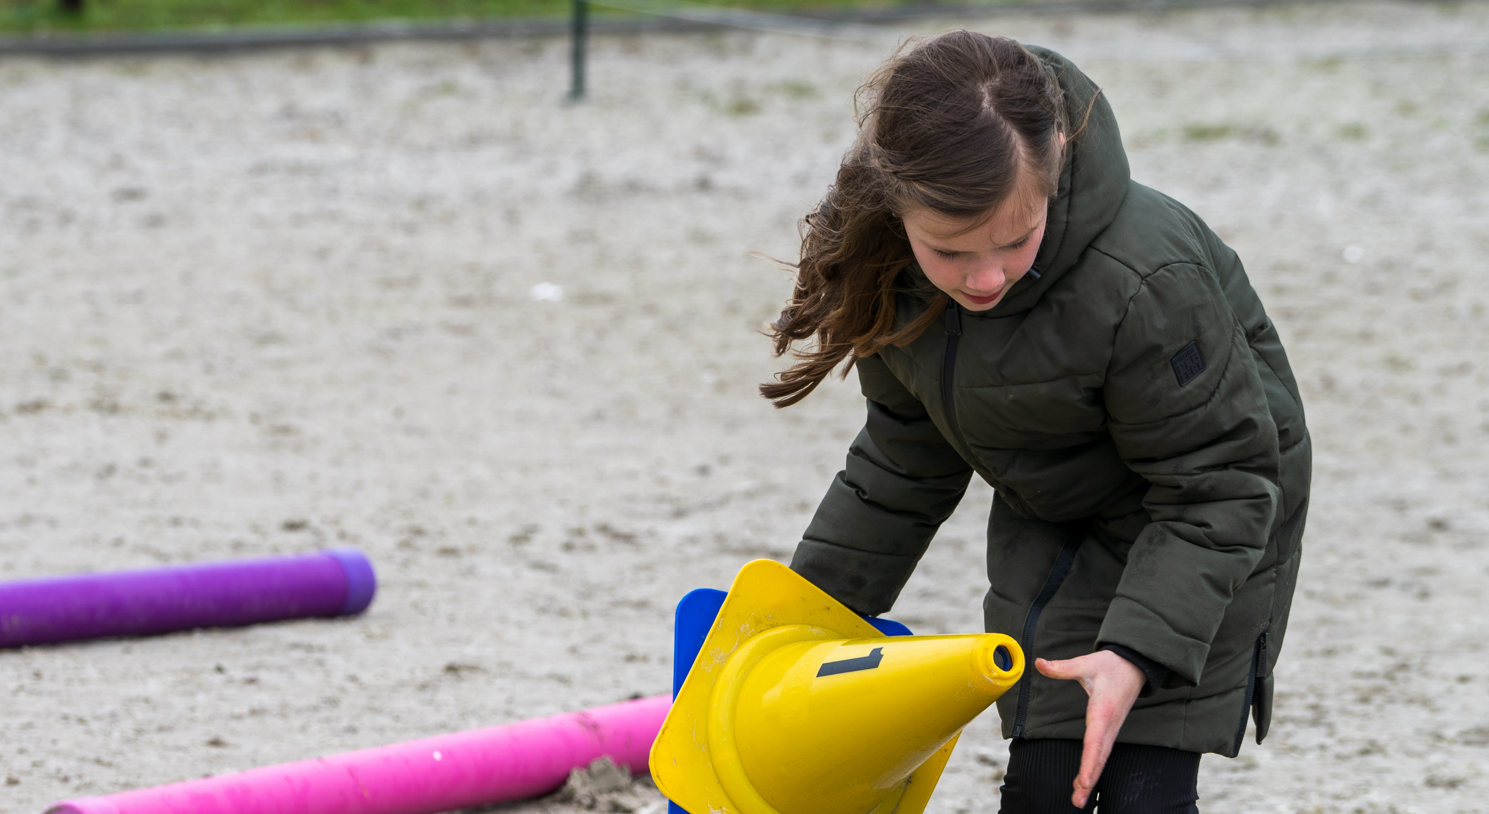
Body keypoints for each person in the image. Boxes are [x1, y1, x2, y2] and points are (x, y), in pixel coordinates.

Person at [761, 31, 1310, 813]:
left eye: (1015, 241)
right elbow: (902, 464)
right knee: (1047, 788)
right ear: (896, 206)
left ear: (1054, 155)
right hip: (1058, 518)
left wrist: (1134, 650)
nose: (983, 278)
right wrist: (807, 619)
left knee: (1140, 790)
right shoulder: (888, 270)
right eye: (949, 251)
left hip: (1209, 515)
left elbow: (1221, 483)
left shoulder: (1146, 280)